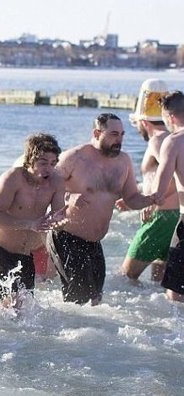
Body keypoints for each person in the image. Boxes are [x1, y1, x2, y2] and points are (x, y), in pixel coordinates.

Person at [51, 113, 154, 305]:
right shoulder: (75, 157)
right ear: (97, 133)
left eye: (122, 134)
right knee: (78, 300)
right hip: (67, 237)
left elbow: (131, 198)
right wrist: (70, 197)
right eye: (114, 134)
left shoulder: (124, 161)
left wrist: (151, 200)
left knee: (95, 300)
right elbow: (47, 186)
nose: (120, 139)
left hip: (94, 243)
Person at [0, 134, 67, 309]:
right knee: (11, 305)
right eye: (43, 162)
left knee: (26, 311)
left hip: (26, 256)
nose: (48, 169)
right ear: (29, 160)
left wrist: (58, 222)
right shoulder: (12, 178)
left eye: (53, 163)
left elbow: (59, 218)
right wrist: (30, 224)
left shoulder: (56, 182)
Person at [118, 80, 178, 285]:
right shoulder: (171, 137)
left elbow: (171, 177)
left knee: (126, 275)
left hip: (162, 216)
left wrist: (152, 202)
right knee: (159, 283)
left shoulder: (158, 140)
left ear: (143, 122)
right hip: (173, 215)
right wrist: (136, 198)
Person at [151, 90, 184, 302]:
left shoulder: (174, 142)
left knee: (176, 291)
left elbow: (159, 189)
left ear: (170, 117)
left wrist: (147, 202)